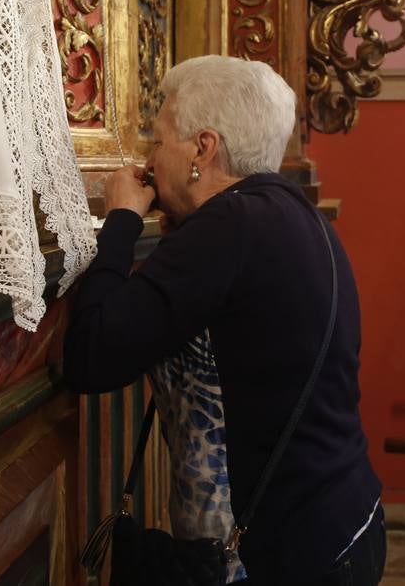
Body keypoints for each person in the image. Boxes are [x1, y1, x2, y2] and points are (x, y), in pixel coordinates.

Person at [63, 55, 386, 586]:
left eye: (159, 139)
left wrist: (121, 218)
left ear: (203, 148)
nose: (149, 159)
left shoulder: (229, 226)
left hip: (301, 552)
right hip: (347, 519)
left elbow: (91, 358)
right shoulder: (285, 207)